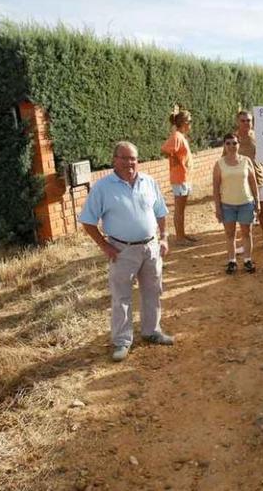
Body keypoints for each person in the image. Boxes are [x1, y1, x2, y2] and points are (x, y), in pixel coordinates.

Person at [79, 141, 174, 362]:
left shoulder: (148, 182)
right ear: (114, 160)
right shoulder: (103, 187)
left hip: (151, 247)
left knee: (153, 290)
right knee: (121, 296)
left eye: (133, 158)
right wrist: (104, 246)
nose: (130, 163)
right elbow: (87, 221)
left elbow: (161, 212)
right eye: (124, 158)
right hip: (122, 251)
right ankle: (122, 341)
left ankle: (152, 331)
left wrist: (165, 237)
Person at [213, 133, 259, 274]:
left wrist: (257, 202)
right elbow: (215, 187)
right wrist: (218, 208)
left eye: (234, 143)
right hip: (227, 205)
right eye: (228, 143)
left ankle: (247, 260)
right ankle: (232, 261)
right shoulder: (219, 164)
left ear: (239, 145)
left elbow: (253, 182)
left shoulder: (246, 161)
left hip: (246, 202)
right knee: (229, 234)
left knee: (247, 233)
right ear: (224, 146)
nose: (232, 146)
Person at [235, 110, 263, 247]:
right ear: (238, 122)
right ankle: (244, 243)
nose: (246, 123)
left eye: (248, 120)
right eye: (243, 120)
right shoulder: (233, 139)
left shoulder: (258, 136)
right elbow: (225, 158)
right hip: (241, 181)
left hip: (259, 178)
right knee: (244, 213)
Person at [161, 108, 197, 244]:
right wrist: (174, 159)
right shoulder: (176, 136)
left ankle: (182, 234)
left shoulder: (180, 136)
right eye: (190, 121)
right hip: (179, 177)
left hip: (184, 177)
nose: (191, 124)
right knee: (179, 209)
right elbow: (164, 149)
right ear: (184, 122)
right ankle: (179, 238)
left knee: (182, 209)